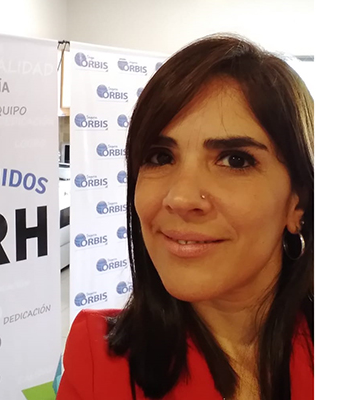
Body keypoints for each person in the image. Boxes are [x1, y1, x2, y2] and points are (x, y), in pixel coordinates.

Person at [57, 33, 314, 400]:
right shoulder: (99, 357)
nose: (180, 198)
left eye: (235, 160)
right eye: (160, 157)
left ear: (297, 203)